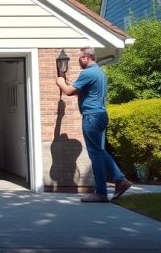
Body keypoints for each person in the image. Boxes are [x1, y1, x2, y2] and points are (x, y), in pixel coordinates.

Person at [55, 47, 132, 203]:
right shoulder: (99, 72)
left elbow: (69, 92)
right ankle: (119, 180)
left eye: (80, 58)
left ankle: (102, 192)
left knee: (95, 154)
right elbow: (79, 90)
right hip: (100, 115)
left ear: (88, 57)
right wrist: (68, 84)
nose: (79, 61)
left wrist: (60, 82)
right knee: (99, 151)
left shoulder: (88, 73)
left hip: (92, 117)